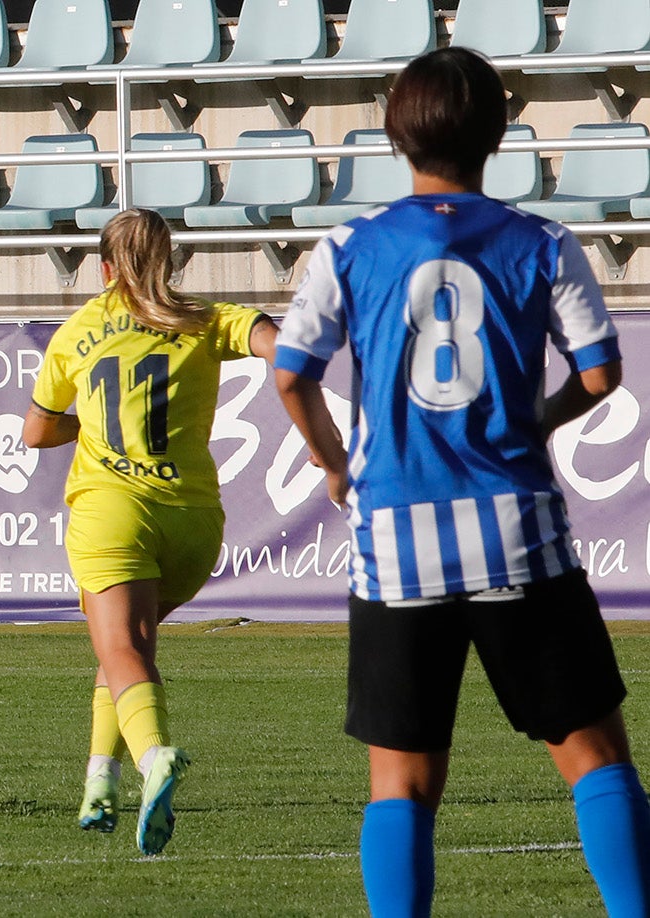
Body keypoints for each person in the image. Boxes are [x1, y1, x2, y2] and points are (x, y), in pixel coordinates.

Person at [274, 47, 650, 916]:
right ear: (501, 133)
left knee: (400, 782)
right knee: (594, 759)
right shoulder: (543, 241)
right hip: (516, 527)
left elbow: (292, 371)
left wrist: (335, 460)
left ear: (392, 131)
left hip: (396, 540)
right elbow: (600, 374)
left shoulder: (348, 247)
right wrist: (538, 421)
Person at [23, 208, 278, 855]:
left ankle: (153, 759)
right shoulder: (203, 320)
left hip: (114, 514)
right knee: (126, 651)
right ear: (171, 263)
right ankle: (98, 782)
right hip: (193, 522)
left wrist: (92, 425)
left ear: (105, 269)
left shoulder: (78, 331)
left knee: (123, 651)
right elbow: (280, 341)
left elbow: (36, 432)